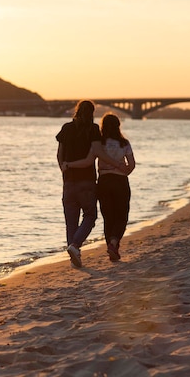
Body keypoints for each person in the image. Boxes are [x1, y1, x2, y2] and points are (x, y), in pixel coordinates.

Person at [56, 101, 125, 268]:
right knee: (90, 216)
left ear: (77, 111)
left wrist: (65, 170)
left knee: (71, 221)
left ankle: (74, 255)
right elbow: (97, 153)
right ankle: (75, 246)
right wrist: (117, 164)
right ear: (92, 113)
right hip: (86, 182)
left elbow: (59, 155)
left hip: (68, 182)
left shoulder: (66, 128)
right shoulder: (93, 130)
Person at [64, 113, 135, 262]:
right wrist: (123, 170)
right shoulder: (124, 143)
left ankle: (110, 245)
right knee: (121, 215)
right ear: (118, 126)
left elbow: (88, 161)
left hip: (103, 181)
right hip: (120, 181)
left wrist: (69, 165)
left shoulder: (99, 144)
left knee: (107, 216)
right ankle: (114, 243)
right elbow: (131, 165)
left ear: (102, 126)